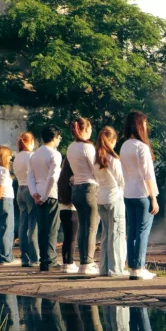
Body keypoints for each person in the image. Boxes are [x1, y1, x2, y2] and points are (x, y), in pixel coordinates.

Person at [119, 111, 160, 281]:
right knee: (143, 231)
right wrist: (154, 198)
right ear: (139, 126)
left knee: (133, 231)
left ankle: (133, 268)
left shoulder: (124, 146)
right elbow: (148, 175)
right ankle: (140, 267)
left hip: (128, 192)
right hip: (143, 193)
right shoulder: (142, 147)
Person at [67, 117, 100, 275]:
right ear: (85, 129)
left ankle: (82, 262)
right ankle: (88, 263)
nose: (92, 130)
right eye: (90, 128)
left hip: (77, 188)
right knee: (91, 227)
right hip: (90, 187)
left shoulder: (70, 147)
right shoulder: (88, 147)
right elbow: (95, 170)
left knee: (82, 227)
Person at [28, 126, 63, 272]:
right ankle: (50, 260)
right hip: (51, 194)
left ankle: (44, 259)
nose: (60, 140)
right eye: (59, 137)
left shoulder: (34, 155)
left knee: (42, 228)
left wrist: (34, 193)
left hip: (38, 192)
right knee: (51, 229)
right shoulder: (55, 154)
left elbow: (30, 175)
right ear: (54, 137)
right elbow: (53, 177)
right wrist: (45, 195)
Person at [94, 126, 127, 277]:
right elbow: (122, 181)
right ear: (112, 140)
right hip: (114, 197)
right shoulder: (113, 159)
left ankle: (104, 268)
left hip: (101, 198)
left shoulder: (96, 160)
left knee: (106, 234)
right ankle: (116, 269)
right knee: (117, 234)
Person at [13, 132, 38, 267]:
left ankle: (24, 257)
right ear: (30, 142)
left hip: (20, 189)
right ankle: (35, 257)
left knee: (23, 225)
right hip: (30, 189)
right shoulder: (31, 156)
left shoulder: (17, 157)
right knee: (33, 224)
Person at [57, 156, 79, 273]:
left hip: (63, 209)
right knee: (72, 238)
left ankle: (65, 262)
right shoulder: (74, 178)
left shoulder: (62, 178)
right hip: (73, 210)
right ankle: (70, 262)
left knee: (66, 237)